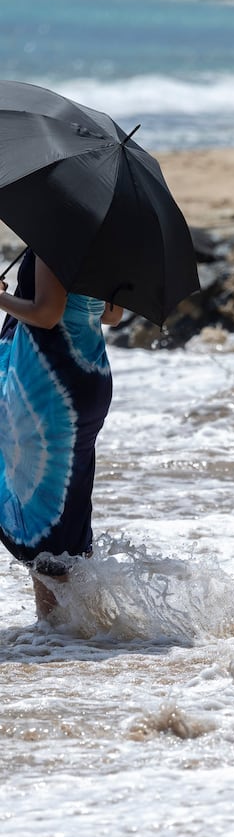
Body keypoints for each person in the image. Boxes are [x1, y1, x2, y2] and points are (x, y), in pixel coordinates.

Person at [0, 250, 123, 618]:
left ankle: (55, 631)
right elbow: (112, 315)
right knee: (67, 503)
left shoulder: (55, 242)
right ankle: (82, 629)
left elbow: (47, 314)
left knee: (42, 509)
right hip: (88, 375)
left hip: (50, 385)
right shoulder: (107, 242)